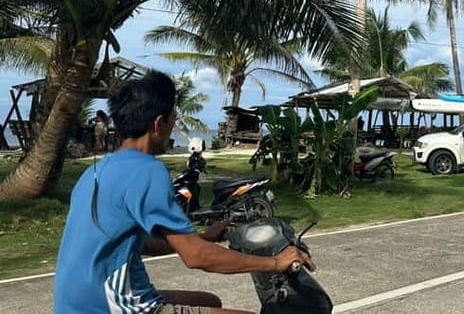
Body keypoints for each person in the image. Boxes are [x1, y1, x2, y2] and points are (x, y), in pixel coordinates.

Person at [53, 70, 313, 314]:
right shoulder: (147, 170)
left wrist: (203, 238)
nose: (173, 125)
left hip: (76, 302)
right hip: (113, 307)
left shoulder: (96, 172)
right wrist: (275, 263)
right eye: (173, 118)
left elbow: (135, 242)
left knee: (208, 302)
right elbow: (196, 257)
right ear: (159, 123)